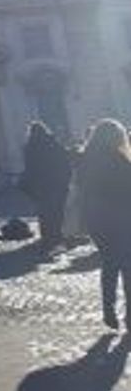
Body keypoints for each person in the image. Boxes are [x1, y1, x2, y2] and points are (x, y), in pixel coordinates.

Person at [76, 119, 131, 329]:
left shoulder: (85, 159)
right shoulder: (119, 160)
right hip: (121, 218)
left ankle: (108, 310)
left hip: (96, 219)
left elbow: (83, 190)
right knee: (128, 267)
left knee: (109, 264)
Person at [21, 121, 73, 249]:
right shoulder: (52, 142)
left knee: (44, 211)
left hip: (40, 185)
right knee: (57, 210)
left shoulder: (29, 147)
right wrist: (66, 178)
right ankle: (57, 234)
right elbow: (64, 160)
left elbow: (29, 168)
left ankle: (47, 236)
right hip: (56, 182)